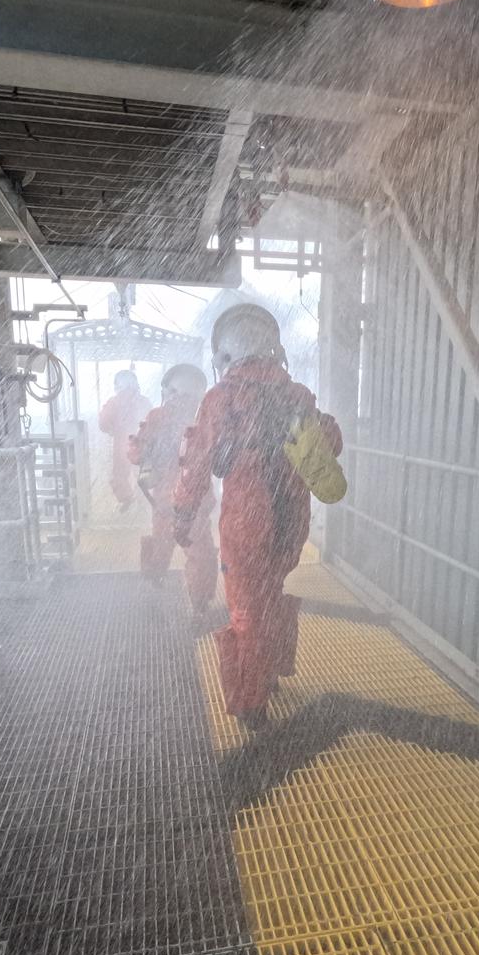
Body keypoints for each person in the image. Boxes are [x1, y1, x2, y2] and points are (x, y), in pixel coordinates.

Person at [173, 303, 345, 723]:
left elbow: (197, 459)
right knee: (271, 597)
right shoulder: (298, 396)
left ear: (224, 356)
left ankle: (251, 701)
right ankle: (268, 672)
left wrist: (182, 510)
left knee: (246, 610)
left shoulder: (221, 398)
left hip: (246, 519)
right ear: (275, 350)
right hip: (291, 521)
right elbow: (332, 442)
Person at [128, 363, 217, 614]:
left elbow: (136, 449)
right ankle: (199, 603)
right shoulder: (203, 418)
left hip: (174, 499)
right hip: (193, 498)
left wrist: (141, 454)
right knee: (199, 552)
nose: (181, 399)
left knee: (167, 545)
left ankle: (156, 580)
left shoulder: (162, 416)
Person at [98, 369, 152, 511]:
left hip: (122, 442)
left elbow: (103, 423)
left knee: (119, 474)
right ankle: (145, 504)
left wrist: (112, 429)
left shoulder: (114, 401)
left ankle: (126, 498)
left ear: (118, 384)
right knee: (143, 473)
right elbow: (153, 420)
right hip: (143, 442)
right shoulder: (144, 401)